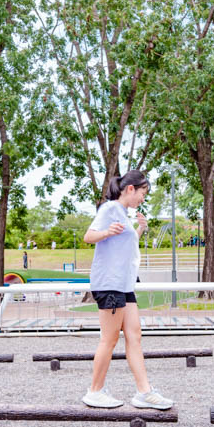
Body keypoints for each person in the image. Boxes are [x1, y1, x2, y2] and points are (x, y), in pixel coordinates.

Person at [81, 170, 173, 410]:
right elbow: (89, 236)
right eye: (143, 193)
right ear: (130, 189)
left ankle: (144, 392)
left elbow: (123, 245)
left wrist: (139, 229)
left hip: (124, 284)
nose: (143, 198)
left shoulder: (123, 214)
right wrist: (106, 232)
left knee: (134, 336)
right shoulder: (110, 208)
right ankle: (95, 391)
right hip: (109, 284)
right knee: (109, 339)